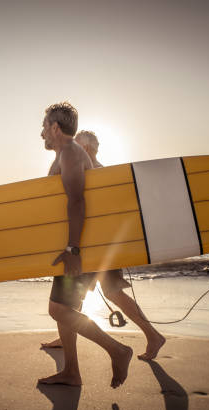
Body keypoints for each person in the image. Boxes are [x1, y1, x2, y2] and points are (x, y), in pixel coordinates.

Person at [41, 130, 166, 362]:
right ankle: (153, 335)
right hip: (104, 247)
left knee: (66, 301)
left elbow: (53, 186)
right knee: (112, 293)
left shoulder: (89, 171)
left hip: (87, 247)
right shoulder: (104, 172)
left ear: (85, 149)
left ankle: (146, 338)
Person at [37, 103, 132, 388]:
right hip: (76, 243)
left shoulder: (69, 152)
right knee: (66, 308)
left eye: (44, 126)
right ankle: (72, 372)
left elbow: (77, 200)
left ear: (55, 128)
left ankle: (118, 350)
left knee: (58, 309)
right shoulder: (66, 154)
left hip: (80, 246)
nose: (41, 132)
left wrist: (73, 250)